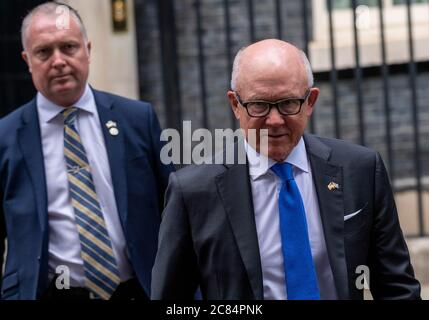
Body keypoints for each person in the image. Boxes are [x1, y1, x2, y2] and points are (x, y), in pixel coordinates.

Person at [151, 39, 421, 300]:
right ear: (235, 104)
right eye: (258, 105)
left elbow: (396, 287)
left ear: (310, 101)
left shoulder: (360, 170)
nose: (275, 120)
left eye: (288, 103)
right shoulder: (193, 191)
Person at [0, 2, 173, 300]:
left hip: (138, 289)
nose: (59, 61)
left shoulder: (137, 119)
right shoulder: (6, 136)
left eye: (68, 47)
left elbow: (173, 213)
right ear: (27, 60)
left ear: (88, 50)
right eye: (44, 52)